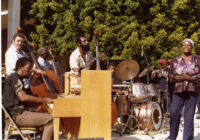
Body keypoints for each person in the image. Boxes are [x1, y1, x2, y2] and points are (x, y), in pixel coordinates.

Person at [2, 57, 54, 140]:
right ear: (20, 68)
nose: (31, 71)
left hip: (19, 115)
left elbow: (25, 99)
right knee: (51, 119)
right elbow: (23, 97)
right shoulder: (14, 77)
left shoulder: (17, 78)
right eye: (29, 68)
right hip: (18, 116)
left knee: (47, 118)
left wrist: (41, 100)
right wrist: (45, 100)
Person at [168, 38, 200, 140]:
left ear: (192, 47)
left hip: (192, 91)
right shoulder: (175, 60)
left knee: (189, 117)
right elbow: (170, 75)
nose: (186, 46)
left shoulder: (197, 59)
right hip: (178, 91)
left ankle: (187, 138)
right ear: (182, 47)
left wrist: (189, 78)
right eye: (184, 45)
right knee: (174, 113)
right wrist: (174, 78)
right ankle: (172, 137)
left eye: (189, 45)